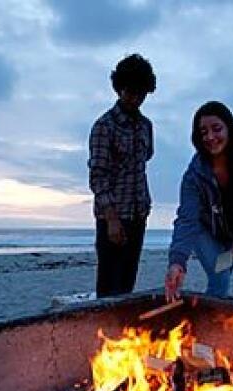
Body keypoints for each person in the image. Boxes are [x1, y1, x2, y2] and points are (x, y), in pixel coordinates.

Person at [165, 101, 233, 302]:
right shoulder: (195, 175)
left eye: (216, 129)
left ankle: (208, 323)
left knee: (221, 279)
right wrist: (177, 262)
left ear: (229, 128)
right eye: (203, 132)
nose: (210, 137)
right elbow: (187, 220)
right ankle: (206, 327)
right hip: (204, 230)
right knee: (220, 277)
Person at [88, 54, 156, 297]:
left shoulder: (146, 126)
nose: (135, 98)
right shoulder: (104, 126)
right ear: (119, 88)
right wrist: (112, 219)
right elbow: (98, 176)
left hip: (138, 213)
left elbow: (145, 159)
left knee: (127, 284)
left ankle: (124, 334)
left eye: (140, 93)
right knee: (108, 285)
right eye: (130, 92)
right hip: (113, 217)